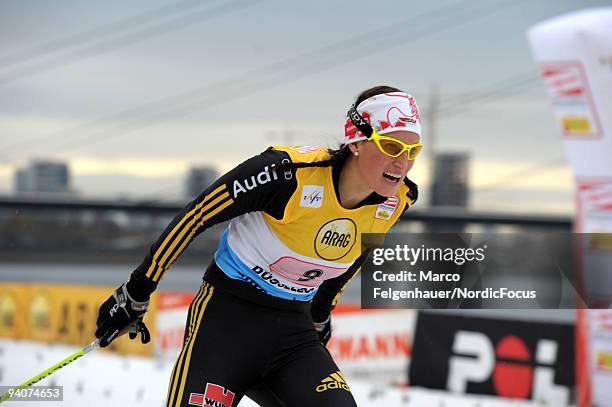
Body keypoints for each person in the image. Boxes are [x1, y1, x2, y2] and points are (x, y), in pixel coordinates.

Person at [94, 85, 422, 407]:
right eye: (392, 147)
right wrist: (137, 291)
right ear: (357, 141)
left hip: (292, 333)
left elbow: (354, 255)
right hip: (225, 322)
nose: (402, 163)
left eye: (413, 151)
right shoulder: (287, 174)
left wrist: (320, 314)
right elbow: (195, 216)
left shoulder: (398, 200)